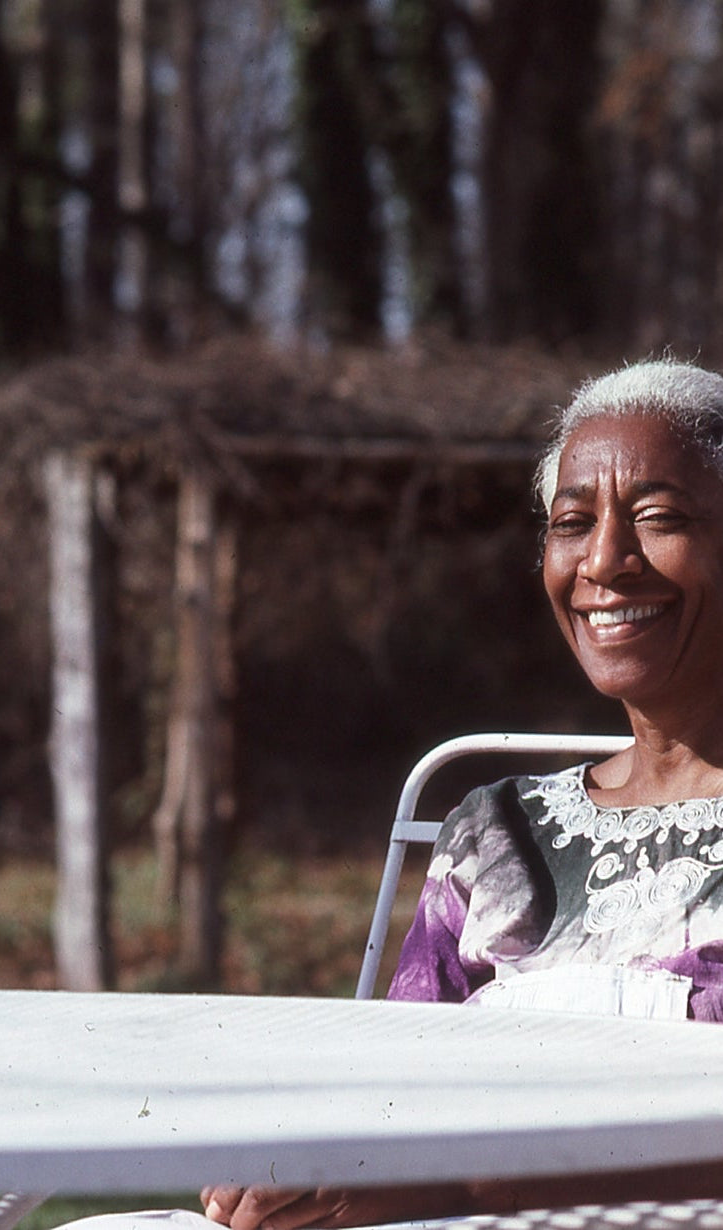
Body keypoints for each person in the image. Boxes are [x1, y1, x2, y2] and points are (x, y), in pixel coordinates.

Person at [198, 358, 723, 1227]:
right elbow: (394, 1097)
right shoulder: (500, 831)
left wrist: (442, 1187)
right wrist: (296, 1168)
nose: (604, 562)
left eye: (657, 518)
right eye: (572, 523)